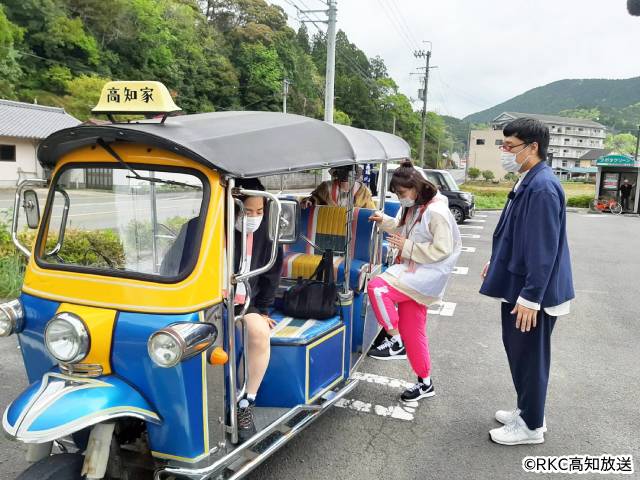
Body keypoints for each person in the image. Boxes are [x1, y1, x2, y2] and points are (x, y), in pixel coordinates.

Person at [480, 118, 574, 446]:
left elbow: (543, 248)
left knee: (529, 357)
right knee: (520, 353)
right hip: (521, 284)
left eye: (510, 146)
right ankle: (528, 409)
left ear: (533, 147)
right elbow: (518, 235)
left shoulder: (543, 186)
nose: (505, 152)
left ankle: (531, 427)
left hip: (534, 294)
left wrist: (531, 297)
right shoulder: (529, 179)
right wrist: (497, 264)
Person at [366, 160, 461, 402]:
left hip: (423, 274)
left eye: (401, 193)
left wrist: (407, 247)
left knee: (377, 288)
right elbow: (404, 228)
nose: (400, 198)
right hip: (414, 273)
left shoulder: (436, 211)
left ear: (416, 186)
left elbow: (443, 249)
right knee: (414, 331)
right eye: (397, 194)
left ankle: (395, 341)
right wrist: (384, 221)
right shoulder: (418, 205)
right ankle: (425, 383)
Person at [233, 178, 284, 442]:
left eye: (259, 212)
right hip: (208, 301)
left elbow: (272, 273)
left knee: (259, 332)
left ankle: (245, 403)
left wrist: (263, 309)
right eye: (247, 211)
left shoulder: (267, 235)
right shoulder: (207, 229)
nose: (254, 218)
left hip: (246, 302)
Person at [302, 165, 376, 209]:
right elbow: (315, 198)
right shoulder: (326, 187)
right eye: (342, 172)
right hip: (330, 226)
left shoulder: (363, 191)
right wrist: (309, 201)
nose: (346, 176)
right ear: (337, 173)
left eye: (349, 172)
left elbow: (370, 211)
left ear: (355, 174)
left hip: (353, 230)